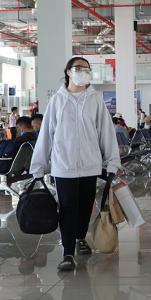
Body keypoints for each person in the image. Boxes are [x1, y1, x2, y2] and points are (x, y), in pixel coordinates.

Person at [30, 57, 121, 272]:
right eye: (78, 68)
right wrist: (39, 166)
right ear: (68, 72)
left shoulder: (95, 99)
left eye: (86, 69)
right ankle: (67, 253)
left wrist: (111, 163)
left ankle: (81, 237)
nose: (83, 72)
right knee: (68, 208)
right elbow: (46, 135)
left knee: (84, 207)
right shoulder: (57, 100)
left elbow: (106, 133)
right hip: (64, 165)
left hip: (90, 164)